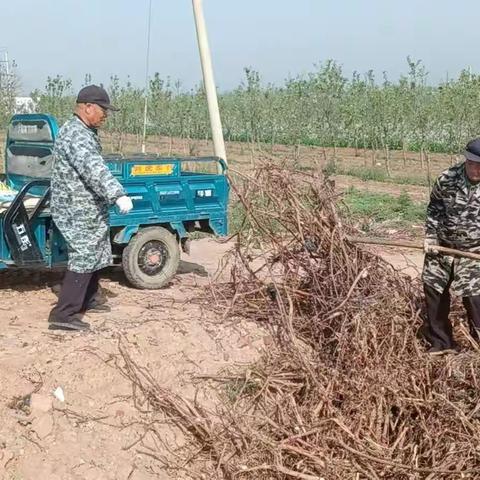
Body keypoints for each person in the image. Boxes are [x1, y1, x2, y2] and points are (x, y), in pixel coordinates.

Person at [48, 85, 133, 331]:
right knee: (84, 255)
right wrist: (117, 194)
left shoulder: (84, 131)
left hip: (86, 207)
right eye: (103, 110)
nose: (105, 115)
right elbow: (93, 168)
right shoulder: (76, 134)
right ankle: (63, 315)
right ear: (87, 107)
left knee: (96, 250)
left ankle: (89, 297)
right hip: (76, 208)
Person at [422, 138, 480, 354]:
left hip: (474, 251)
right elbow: (434, 208)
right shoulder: (447, 179)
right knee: (433, 286)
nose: (475, 169)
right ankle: (442, 342)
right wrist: (430, 237)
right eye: (472, 163)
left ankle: (478, 343)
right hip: (443, 247)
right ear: (466, 160)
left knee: (475, 295)